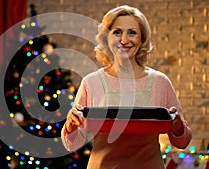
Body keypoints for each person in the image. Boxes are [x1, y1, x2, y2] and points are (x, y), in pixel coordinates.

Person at [61, 5, 192, 169]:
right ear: (106, 39)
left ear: (142, 39)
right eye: (117, 32)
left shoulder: (160, 82)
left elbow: (183, 142)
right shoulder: (91, 82)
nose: (124, 40)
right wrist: (71, 125)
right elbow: (71, 144)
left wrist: (178, 126)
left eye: (132, 32)